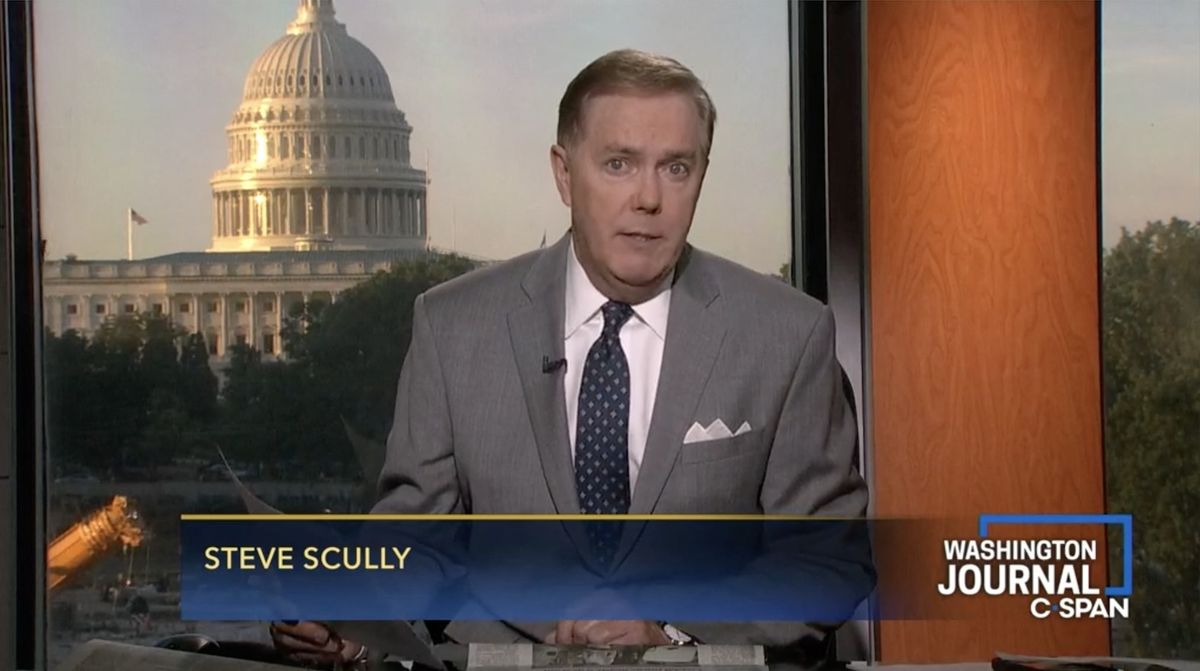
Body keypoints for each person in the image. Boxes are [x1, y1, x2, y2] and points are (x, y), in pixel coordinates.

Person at [272, 48, 869, 665]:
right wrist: (353, 621)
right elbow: (418, 540)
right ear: (564, 174)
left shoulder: (787, 333)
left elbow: (827, 557)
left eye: (677, 168)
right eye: (618, 164)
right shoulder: (453, 326)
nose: (648, 198)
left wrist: (675, 639)